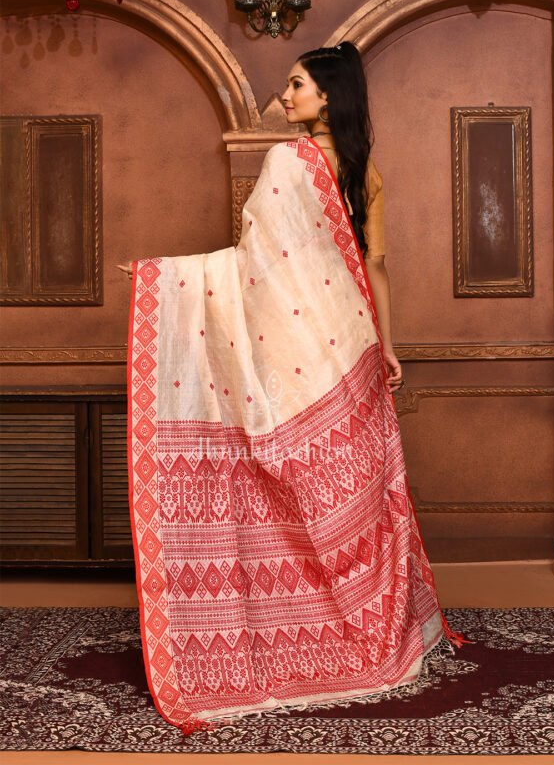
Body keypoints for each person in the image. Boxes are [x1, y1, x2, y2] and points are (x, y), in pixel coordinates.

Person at [118, 42, 471, 735]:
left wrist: (165, 278)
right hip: (352, 340)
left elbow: (255, 263)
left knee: (292, 484)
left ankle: (316, 638)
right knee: (355, 495)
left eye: (296, 85)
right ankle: (367, 635)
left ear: (327, 96)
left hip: (297, 346)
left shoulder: (288, 161)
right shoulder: (364, 170)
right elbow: (378, 266)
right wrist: (387, 345)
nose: (287, 96)